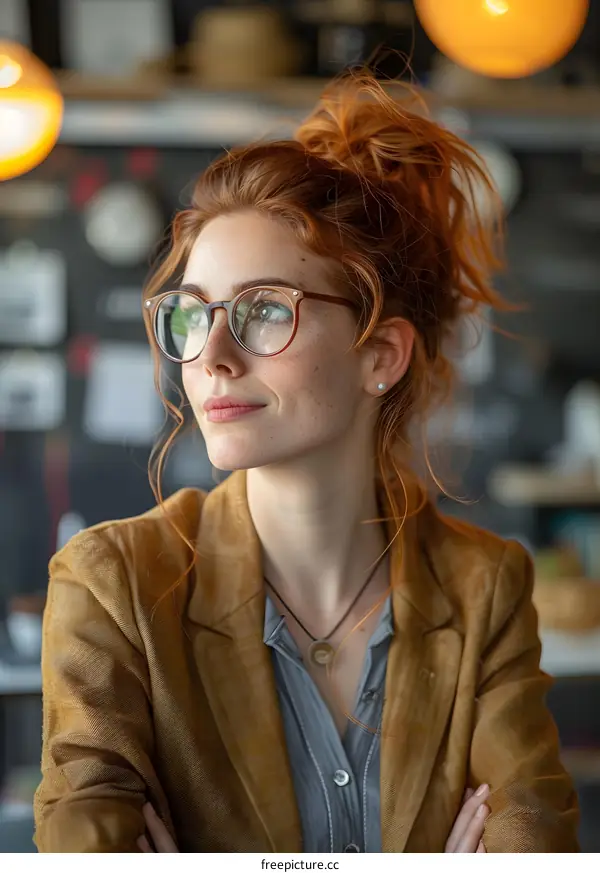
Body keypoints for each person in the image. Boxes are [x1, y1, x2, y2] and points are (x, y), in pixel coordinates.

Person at [34, 73, 578, 853]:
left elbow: (537, 841)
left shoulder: (485, 586)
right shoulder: (111, 585)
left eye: (263, 310)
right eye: (192, 313)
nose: (211, 356)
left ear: (380, 354)